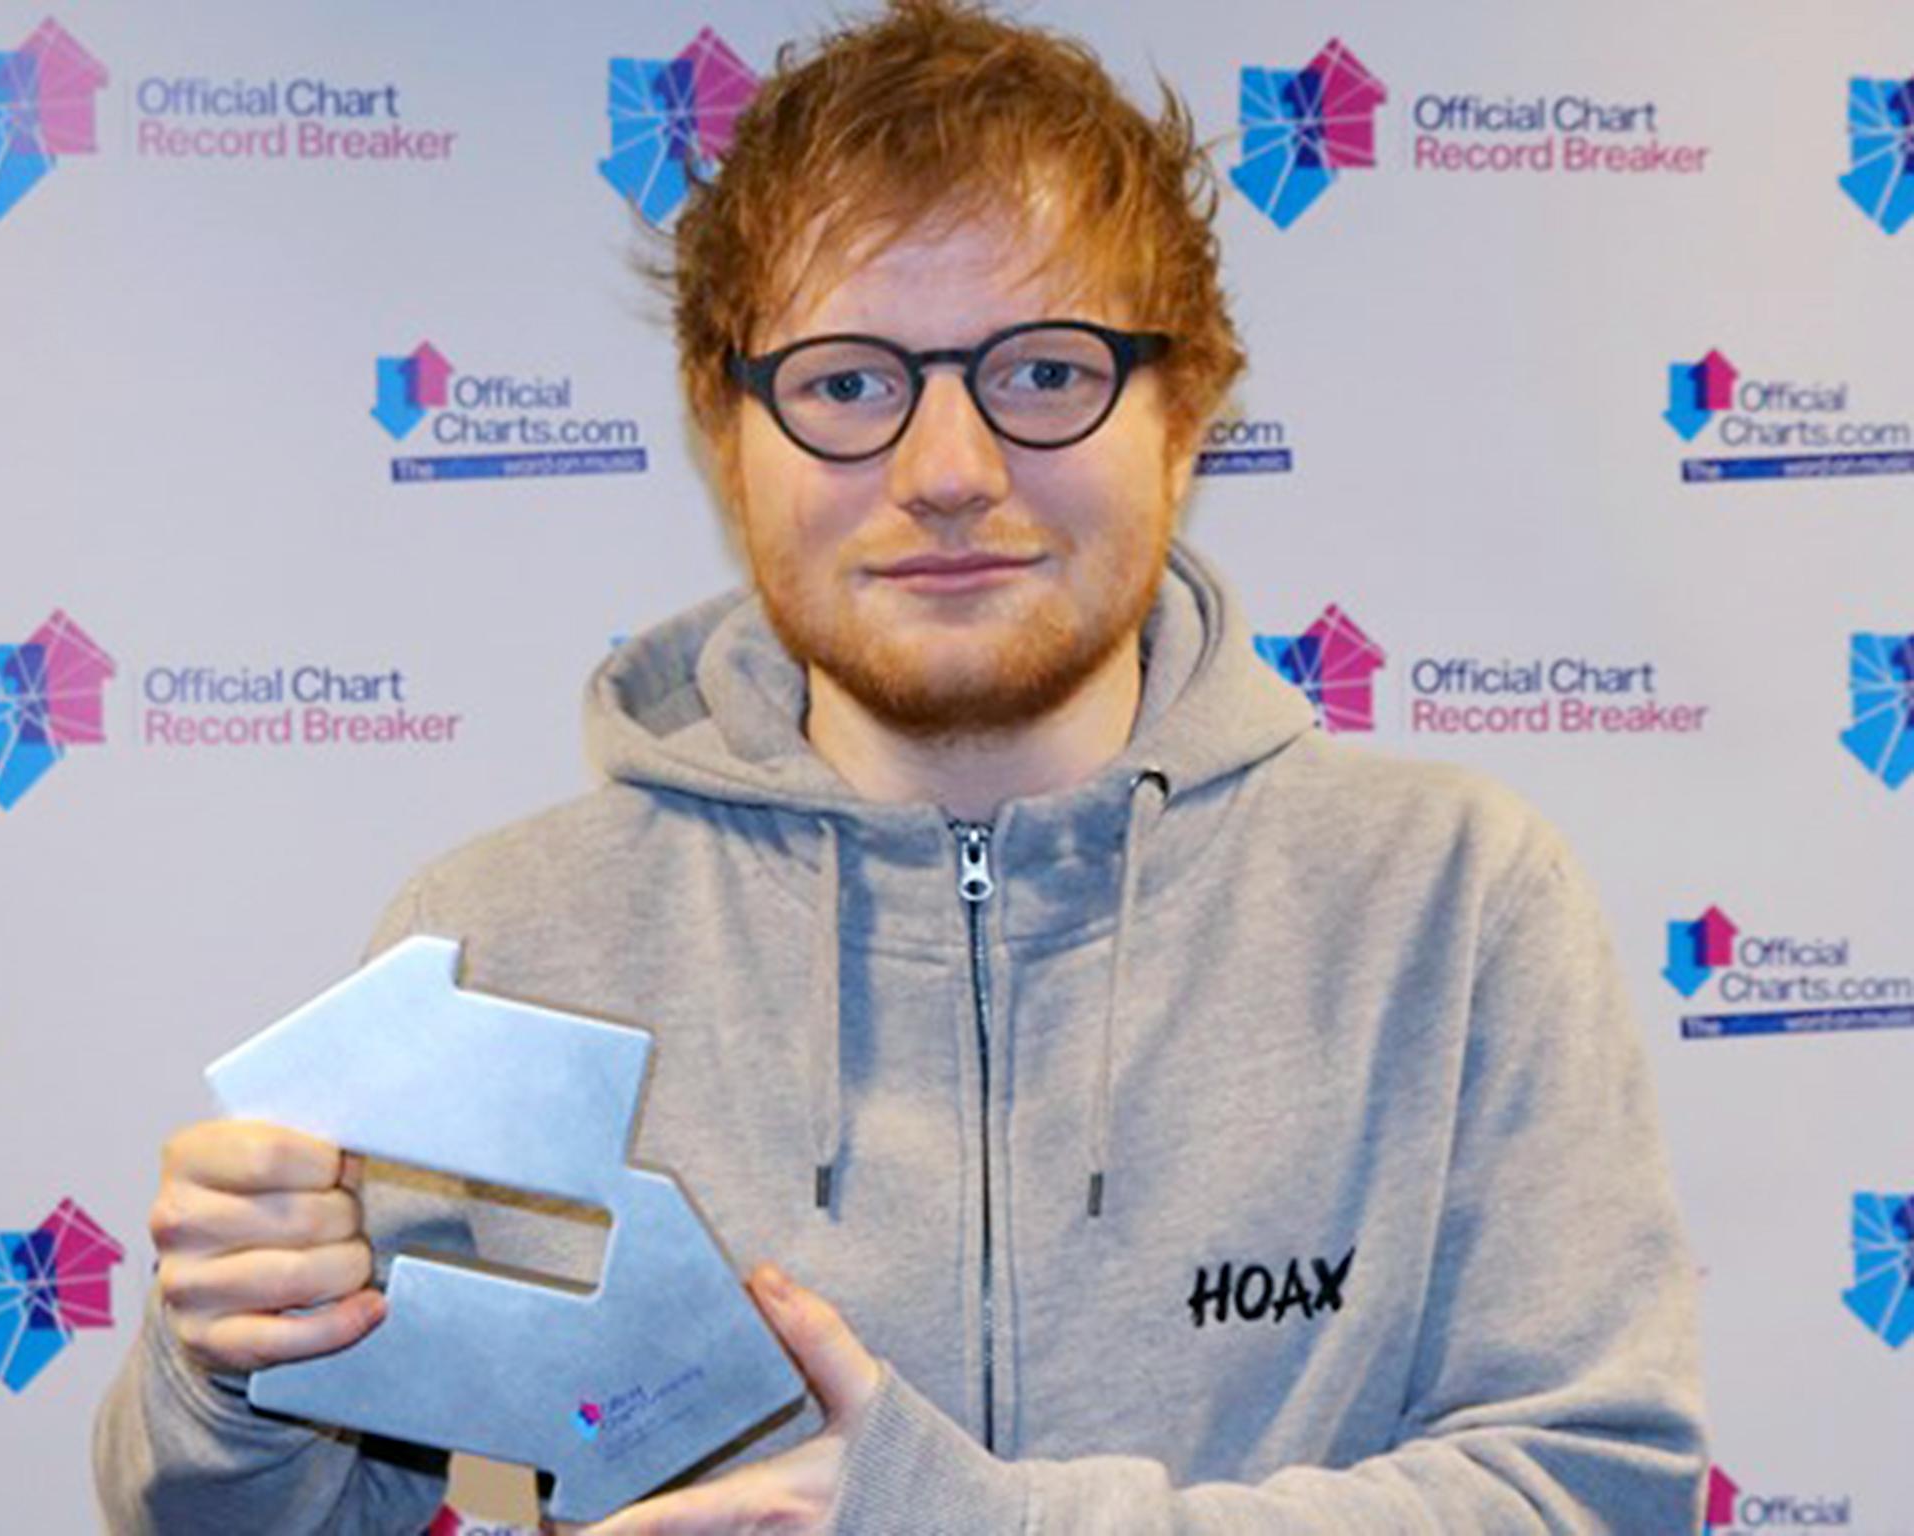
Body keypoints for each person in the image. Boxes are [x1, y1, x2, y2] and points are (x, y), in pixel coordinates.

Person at [94, 2, 1709, 1530]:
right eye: (849, 383)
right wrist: (234, 1372)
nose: (949, 472)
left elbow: (1596, 1488)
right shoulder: (506, 943)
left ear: (1188, 406)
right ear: (731, 434)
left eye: (1047, 371)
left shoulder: (1449, 901)